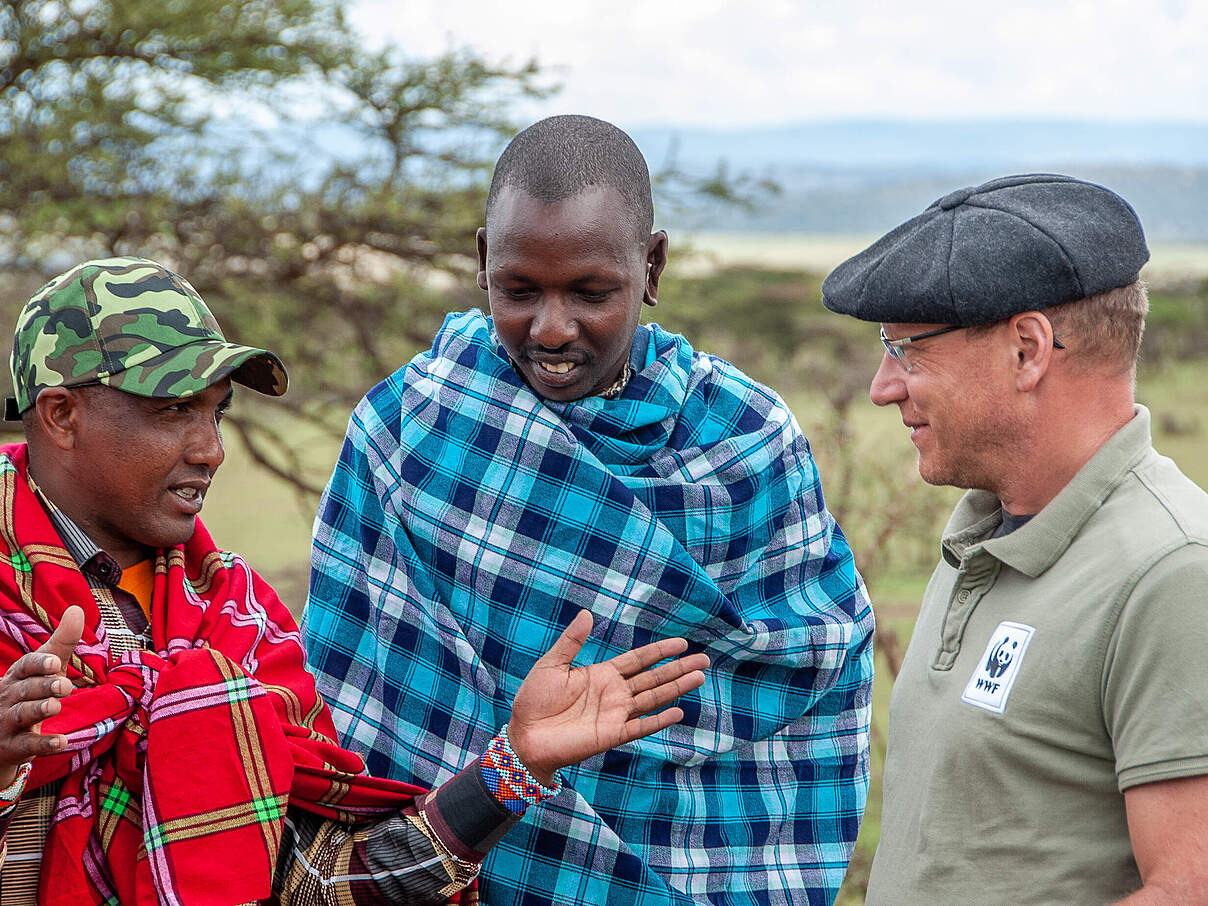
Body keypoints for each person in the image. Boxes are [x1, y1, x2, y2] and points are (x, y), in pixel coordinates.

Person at [0, 256, 708, 905]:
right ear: (62, 415)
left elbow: (318, 884)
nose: (211, 450)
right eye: (173, 410)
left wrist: (512, 767)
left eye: (216, 412)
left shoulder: (233, 620)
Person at [303, 114, 875, 905]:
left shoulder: (746, 438)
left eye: (590, 293)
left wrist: (640, 726)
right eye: (519, 291)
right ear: (481, 264)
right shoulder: (407, 427)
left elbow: (812, 658)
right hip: (456, 854)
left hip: (692, 862)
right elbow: (350, 685)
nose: (552, 329)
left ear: (652, 266)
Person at [822, 174, 1208, 903]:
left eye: (908, 349)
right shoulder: (983, 535)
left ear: (1027, 350)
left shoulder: (1173, 573)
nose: (882, 386)